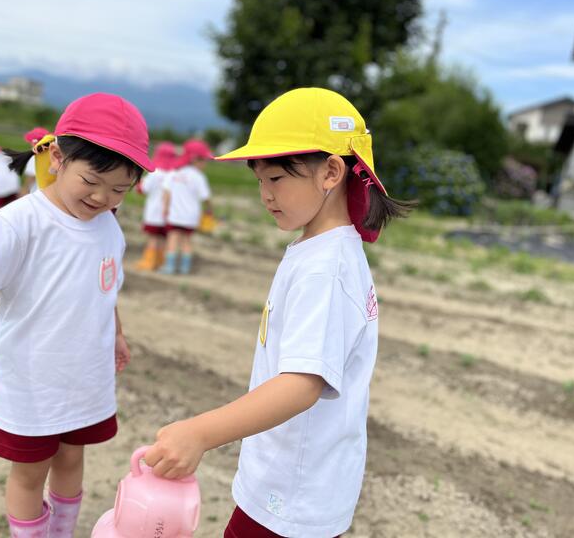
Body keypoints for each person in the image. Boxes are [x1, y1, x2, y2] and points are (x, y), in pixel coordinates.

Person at [144, 88, 415, 537]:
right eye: (259, 181)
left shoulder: (325, 269)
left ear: (331, 172)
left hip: (292, 492)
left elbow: (301, 385)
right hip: (295, 477)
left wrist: (200, 433)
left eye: (275, 179)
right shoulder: (322, 250)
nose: (265, 194)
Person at [0, 93, 154, 537]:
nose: (103, 197)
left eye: (120, 189)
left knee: (72, 458)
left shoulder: (109, 227)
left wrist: (116, 333)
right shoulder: (20, 222)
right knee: (29, 473)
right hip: (33, 381)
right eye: (92, 181)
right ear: (57, 157)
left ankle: (60, 532)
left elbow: (105, 289)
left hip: (85, 378)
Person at [160, 139, 213, 274]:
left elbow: (166, 193)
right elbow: (206, 197)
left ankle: (169, 267)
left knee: (172, 239)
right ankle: (184, 268)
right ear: (195, 159)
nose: (205, 164)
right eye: (203, 160)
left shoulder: (174, 173)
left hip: (174, 214)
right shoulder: (198, 177)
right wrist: (209, 210)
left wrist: (165, 208)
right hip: (191, 216)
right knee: (186, 241)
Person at [133, 141, 178, 270]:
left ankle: (149, 261)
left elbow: (143, 189)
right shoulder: (174, 174)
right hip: (169, 214)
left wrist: (139, 184)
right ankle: (160, 261)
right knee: (163, 238)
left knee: (152, 238)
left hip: (153, 213)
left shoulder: (155, 173)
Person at [21, 127, 49, 194]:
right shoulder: (51, 153)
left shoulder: (35, 156)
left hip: (37, 193)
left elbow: (30, 178)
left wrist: (23, 191)